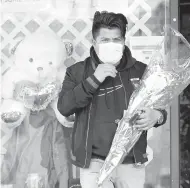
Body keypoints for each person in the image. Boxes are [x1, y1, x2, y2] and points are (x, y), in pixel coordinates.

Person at [57, 11, 167, 188]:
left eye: (116, 40)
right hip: (94, 162)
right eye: (104, 40)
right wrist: (93, 80)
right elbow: (64, 107)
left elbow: (160, 108)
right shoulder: (77, 72)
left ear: (124, 41)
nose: (111, 44)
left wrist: (157, 116)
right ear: (94, 42)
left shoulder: (142, 71)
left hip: (131, 161)